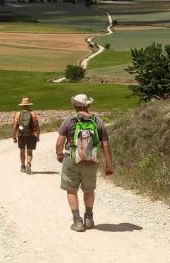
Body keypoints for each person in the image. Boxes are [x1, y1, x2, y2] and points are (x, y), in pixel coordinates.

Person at [55, 93, 113, 232]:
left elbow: (60, 142)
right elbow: (105, 145)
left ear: (75, 105)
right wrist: (109, 164)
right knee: (89, 189)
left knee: (71, 190)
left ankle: (77, 222)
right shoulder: (98, 121)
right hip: (91, 159)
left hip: (72, 158)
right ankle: (89, 218)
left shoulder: (69, 120)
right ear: (88, 105)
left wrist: (59, 154)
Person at [12, 97, 41, 174]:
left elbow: (15, 126)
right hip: (31, 135)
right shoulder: (33, 114)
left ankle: (23, 166)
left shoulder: (18, 114)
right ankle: (28, 163)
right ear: (29, 105)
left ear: (22, 106)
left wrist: (14, 137)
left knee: (22, 151)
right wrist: (37, 136)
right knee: (29, 151)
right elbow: (37, 127)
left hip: (21, 135)